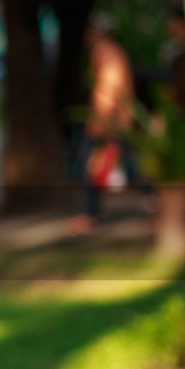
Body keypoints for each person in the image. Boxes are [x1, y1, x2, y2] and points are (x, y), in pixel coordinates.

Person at [67, 14, 150, 235]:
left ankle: (91, 213)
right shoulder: (106, 53)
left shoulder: (109, 54)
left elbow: (110, 91)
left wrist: (100, 122)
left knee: (98, 165)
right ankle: (92, 211)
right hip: (113, 120)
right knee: (127, 166)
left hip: (110, 122)